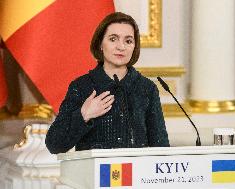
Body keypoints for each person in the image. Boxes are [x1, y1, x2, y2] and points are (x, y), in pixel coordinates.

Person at [45, 12, 170, 154]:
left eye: (128, 41)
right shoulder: (81, 86)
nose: (121, 47)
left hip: (136, 174)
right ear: (100, 44)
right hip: (93, 175)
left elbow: (161, 148)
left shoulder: (147, 89)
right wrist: (83, 115)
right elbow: (54, 145)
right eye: (113, 39)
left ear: (134, 47)